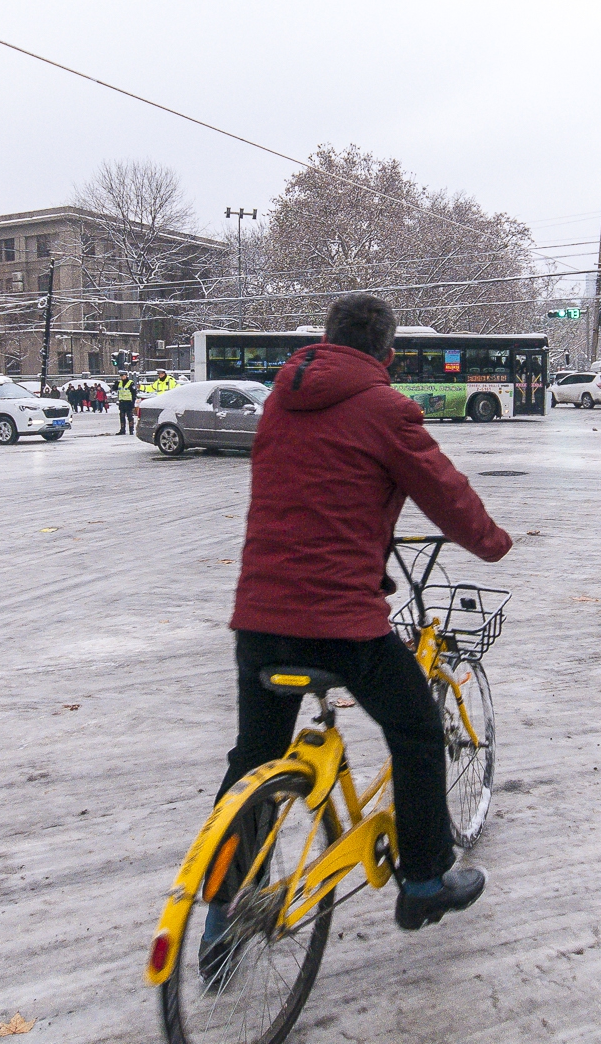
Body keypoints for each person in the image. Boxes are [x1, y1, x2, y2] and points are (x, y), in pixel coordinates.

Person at [207, 293, 509, 960]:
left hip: (258, 617)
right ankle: (425, 879)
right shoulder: (387, 409)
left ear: (325, 339)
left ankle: (220, 912)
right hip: (340, 622)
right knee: (417, 729)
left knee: (254, 757)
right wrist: (492, 543)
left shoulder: (280, 402)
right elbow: (446, 493)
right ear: (388, 354)